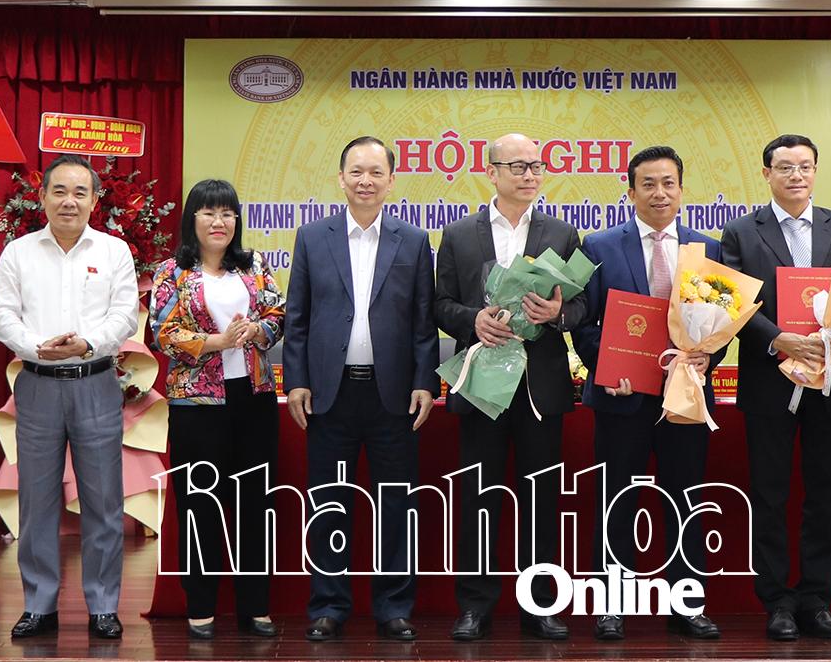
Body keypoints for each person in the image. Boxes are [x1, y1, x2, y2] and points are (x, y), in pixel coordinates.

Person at [283, 137, 439, 643]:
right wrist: (297, 381)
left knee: (397, 504)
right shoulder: (313, 237)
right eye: (356, 171)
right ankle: (328, 605)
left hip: (393, 396)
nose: (365, 181)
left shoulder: (413, 240)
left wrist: (425, 382)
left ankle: (394, 607)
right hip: (330, 394)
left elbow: (423, 322)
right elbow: (297, 317)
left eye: (375, 172)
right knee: (329, 502)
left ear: (391, 180)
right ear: (341, 178)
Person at [433, 133, 585, 642]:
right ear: (491, 171)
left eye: (536, 166)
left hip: (540, 386)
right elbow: (439, 304)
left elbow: (584, 306)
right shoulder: (459, 235)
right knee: (478, 498)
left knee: (540, 501)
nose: (529, 175)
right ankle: (474, 606)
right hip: (482, 383)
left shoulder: (562, 233)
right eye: (517, 166)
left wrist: (558, 313)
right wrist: (471, 320)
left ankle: (539, 604)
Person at [721, 134, 831, 641]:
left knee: (825, 495)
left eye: (805, 166)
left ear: (816, 171)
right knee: (768, 495)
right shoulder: (741, 232)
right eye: (785, 167)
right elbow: (734, 301)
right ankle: (777, 602)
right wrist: (777, 338)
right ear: (767, 174)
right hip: (769, 381)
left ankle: (816, 599)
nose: (796, 175)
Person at [0, 155, 142, 640]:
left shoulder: (114, 251)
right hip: (37, 383)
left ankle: (103, 605)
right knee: (37, 499)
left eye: (80, 192)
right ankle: (39, 604)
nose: (69, 201)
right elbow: (1, 315)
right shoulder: (18, 252)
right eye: (59, 191)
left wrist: (88, 344)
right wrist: (36, 346)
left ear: (95, 200)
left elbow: (124, 314)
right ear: (42, 197)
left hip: (95, 381)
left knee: (103, 499)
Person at [577, 145, 724, 641]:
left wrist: (708, 358)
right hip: (622, 398)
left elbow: (722, 324)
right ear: (631, 190)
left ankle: (687, 605)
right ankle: (611, 605)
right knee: (616, 501)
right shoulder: (600, 245)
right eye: (648, 184)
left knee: (686, 501)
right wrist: (606, 367)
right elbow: (584, 323)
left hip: (686, 396)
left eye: (668, 183)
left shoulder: (707, 249)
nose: (659, 193)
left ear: (681, 189)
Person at [150, 178, 286, 641]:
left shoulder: (254, 266)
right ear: (192, 218)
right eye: (208, 212)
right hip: (196, 405)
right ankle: (201, 608)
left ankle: (256, 607)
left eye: (227, 213)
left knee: (255, 505)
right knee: (200, 506)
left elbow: (278, 314)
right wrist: (217, 341)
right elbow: (163, 333)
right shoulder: (172, 272)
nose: (219, 221)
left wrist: (257, 332)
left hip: (254, 399)